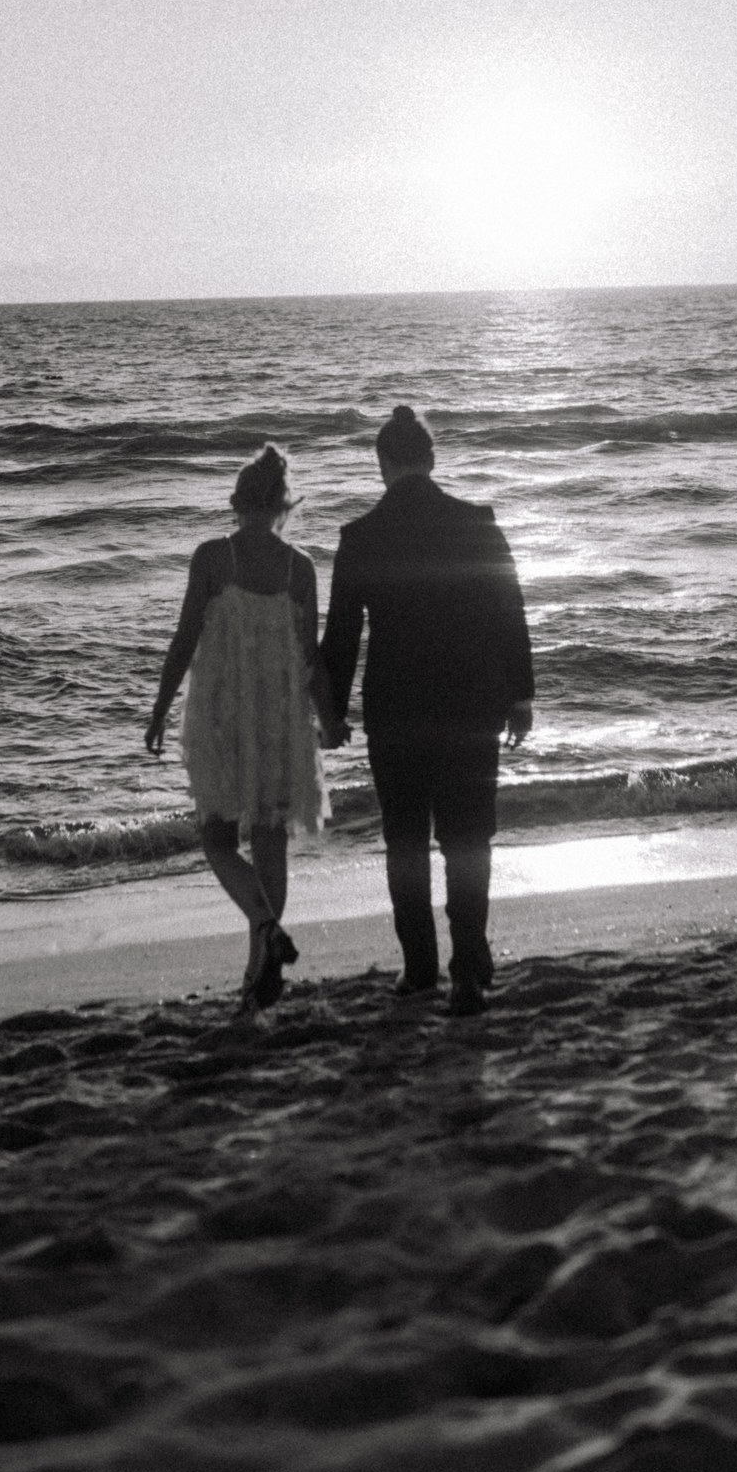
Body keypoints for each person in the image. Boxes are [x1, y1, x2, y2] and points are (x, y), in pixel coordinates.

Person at [320, 405, 534, 1016]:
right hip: (471, 704)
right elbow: (508, 610)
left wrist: (331, 715)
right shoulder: (476, 523)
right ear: (432, 459)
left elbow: (341, 637)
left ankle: (419, 969)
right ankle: (470, 963)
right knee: (470, 837)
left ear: (382, 464)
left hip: (396, 708)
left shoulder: (359, 537)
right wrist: (520, 696)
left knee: (406, 840)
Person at [145, 443, 348, 1013]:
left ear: (236, 503)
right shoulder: (299, 567)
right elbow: (310, 660)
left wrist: (161, 708)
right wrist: (330, 720)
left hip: (220, 714)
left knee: (216, 838)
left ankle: (263, 936)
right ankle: (264, 963)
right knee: (270, 840)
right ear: (283, 504)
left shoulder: (213, 557)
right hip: (281, 716)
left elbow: (185, 639)